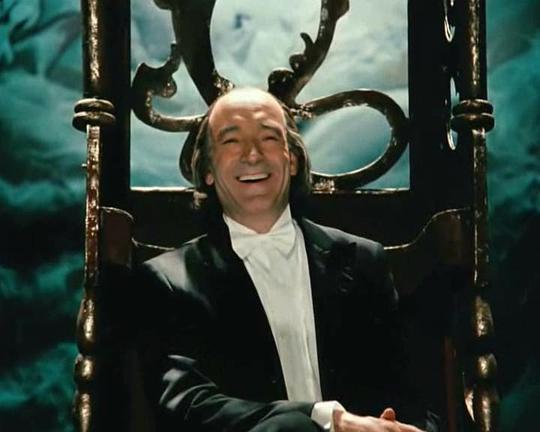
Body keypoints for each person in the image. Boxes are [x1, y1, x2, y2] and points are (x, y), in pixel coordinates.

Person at [134, 87, 439, 432]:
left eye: (268, 137)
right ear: (207, 169)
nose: (252, 154)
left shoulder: (363, 261)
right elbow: (186, 405)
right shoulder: (169, 279)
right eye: (231, 141)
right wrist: (325, 419)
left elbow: (410, 396)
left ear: (291, 160)